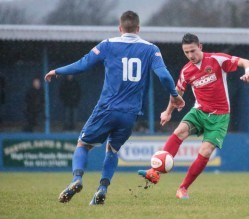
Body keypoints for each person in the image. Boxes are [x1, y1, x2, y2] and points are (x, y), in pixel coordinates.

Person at [44, 11, 184, 205]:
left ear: (120, 28)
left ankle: (77, 179)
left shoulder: (108, 45)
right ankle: (102, 189)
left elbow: (83, 65)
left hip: (107, 108)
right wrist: (175, 96)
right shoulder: (151, 49)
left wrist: (58, 71)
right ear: (138, 28)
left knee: (83, 145)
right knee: (112, 150)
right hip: (130, 114)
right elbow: (165, 77)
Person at [139, 33, 249, 199]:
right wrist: (168, 112)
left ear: (200, 46)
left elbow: (245, 61)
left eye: (193, 51)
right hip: (199, 111)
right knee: (179, 131)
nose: (190, 55)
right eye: (186, 52)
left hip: (220, 116)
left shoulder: (217, 60)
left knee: (206, 151)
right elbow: (176, 93)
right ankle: (154, 172)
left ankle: (183, 188)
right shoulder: (186, 71)